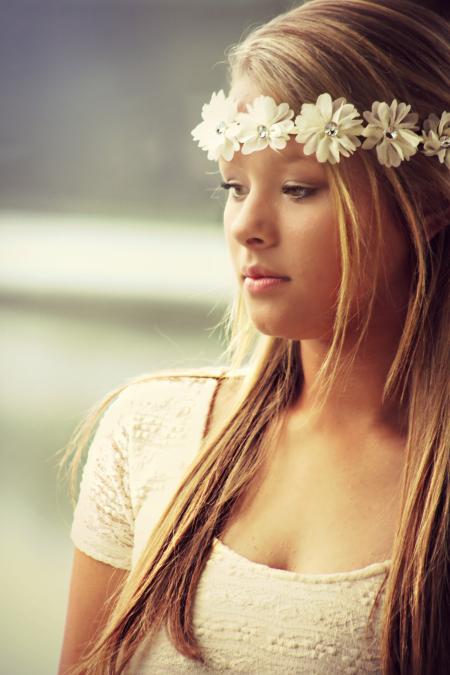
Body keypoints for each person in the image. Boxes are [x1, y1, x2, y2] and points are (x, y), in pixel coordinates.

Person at [58, 0, 449, 673]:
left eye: (298, 188)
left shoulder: (433, 490)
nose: (247, 225)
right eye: (234, 186)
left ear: (427, 204)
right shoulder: (147, 432)